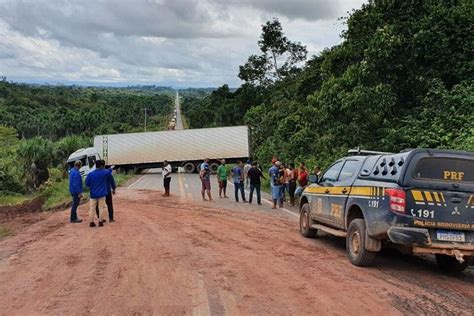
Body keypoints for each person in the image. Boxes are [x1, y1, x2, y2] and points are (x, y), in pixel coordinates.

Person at [85, 160, 112, 227]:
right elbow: (109, 171)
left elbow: (87, 183)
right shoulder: (104, 173)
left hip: (93, 194)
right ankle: (100, 221)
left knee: (92, 208)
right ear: (101, 166)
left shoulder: (90, 174)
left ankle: (91, 222)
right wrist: (111, 168)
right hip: (102, 194)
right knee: (101, 208)